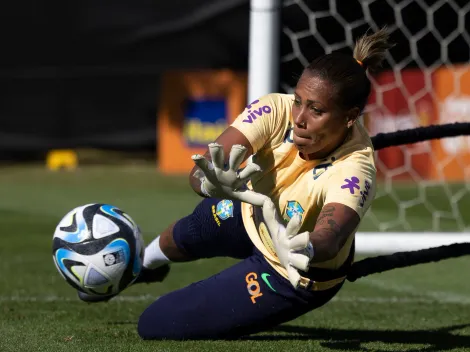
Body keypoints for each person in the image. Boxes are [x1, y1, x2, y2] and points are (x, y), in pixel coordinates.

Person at [79, 28, 393, 340]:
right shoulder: (275, 110)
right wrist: (210, 182)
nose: (299, 118)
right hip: (251, 214)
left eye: (316, 110)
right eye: (299, 101)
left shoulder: (355, 168)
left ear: (350, 117)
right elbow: (202, 169)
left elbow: (331, 237)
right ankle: (142, 266)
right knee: (184, 234)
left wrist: (303, 245)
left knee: (155, 323)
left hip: (290, 270)